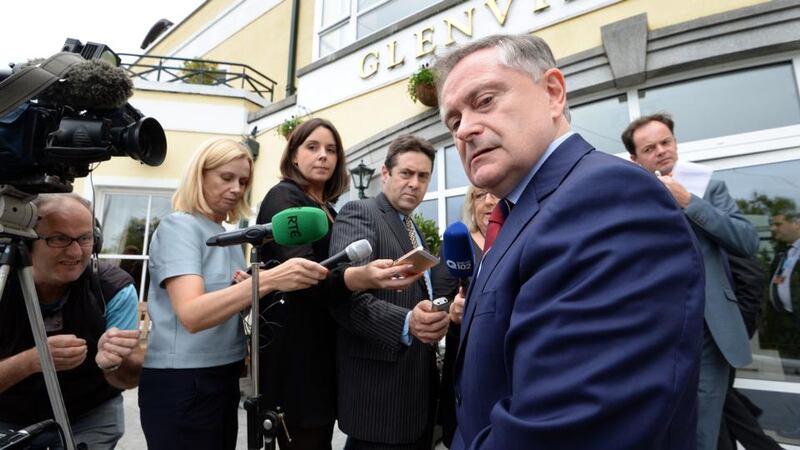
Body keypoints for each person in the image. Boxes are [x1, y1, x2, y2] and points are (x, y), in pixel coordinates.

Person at [434, 34, 705, 450]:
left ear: (553, 93)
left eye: (485, 100)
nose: (465, 129)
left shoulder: (608, 196)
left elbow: (561, 428)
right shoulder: (516, 213)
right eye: (453, 121)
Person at [138, 137, 329, 450]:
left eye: (243, 181)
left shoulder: (225, 236)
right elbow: (193, 314)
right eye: (226, 178)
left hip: (222, 376)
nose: (237, 189)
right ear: (199, 175)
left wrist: (246, 288)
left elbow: (224, 304)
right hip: (184, 381)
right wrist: (268, 281)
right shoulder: (179, 227)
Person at [256, 118, 422, 450]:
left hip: (328, 349)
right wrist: (357, 277)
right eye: (312, 147)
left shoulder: (329, 210)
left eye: (331, 150)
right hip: (297, 351)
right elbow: (304, 275)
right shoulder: (282, 197)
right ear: (293, 155)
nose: (323, 157)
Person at [621, 112, 759, 450]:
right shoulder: (627, 198)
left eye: (666, 142)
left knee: (701, 429)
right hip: (653, 332)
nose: (662, 151)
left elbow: (747, 241)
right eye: (650, 148)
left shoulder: (708, 186)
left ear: (676, 143)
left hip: (708, 330)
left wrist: (689, 202)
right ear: (635, 159)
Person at [329, 134, 450, 450]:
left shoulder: (414, 228)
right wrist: (407, 323)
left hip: (416, 397)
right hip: (379, 401)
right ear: (385, 174)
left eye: (423, 176)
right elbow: (344, 297)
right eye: (406, 173)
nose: (414, 183)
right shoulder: (361, 211)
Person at [0, 193, 142, 449]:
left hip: (89, 416)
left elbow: (128, 379)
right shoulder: (3, 282)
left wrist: (115, 364)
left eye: (85, 238)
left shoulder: (113, 288)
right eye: (59, 239)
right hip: (6, 414)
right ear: (25, 240)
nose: (76, 251)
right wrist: (32, 361)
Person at [431, 186, 498, 448]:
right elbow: (438, 300)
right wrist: (452, 310)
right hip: (465, 360)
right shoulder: (457, 245)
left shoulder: (516, 238)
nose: (489, 201)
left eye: (496, 195)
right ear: (472, 204)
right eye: (481, 195)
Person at [769, 212, 800, 315]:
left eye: (778, 224)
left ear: (796, 224)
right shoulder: (784, 253)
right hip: (787, 320)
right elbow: (783, 277)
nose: (773, 229)